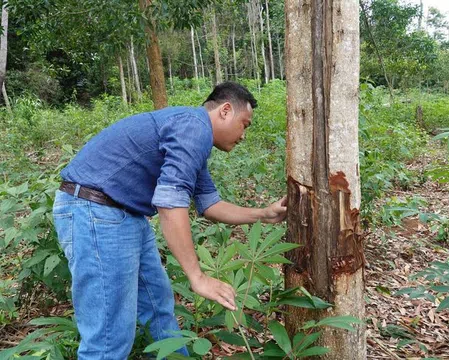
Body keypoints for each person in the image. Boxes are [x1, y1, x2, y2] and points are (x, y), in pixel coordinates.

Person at [52, 81, 287, 359]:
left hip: (123, 216)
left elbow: (210, 204)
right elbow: (170, 202)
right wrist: (197, 277)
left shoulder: (193, 134)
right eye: (244, 125)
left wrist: (263, 214)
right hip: (96, 212)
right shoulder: (193, 127)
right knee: (108, 339)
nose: (243, 135)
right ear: (225, 111)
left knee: (157, 306)